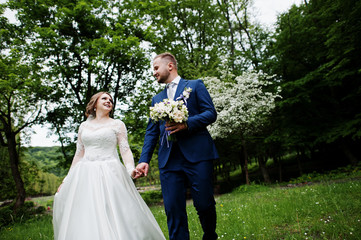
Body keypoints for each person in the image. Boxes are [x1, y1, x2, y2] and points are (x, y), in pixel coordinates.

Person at [53, 92, 166, 240]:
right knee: (87, 212)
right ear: (94, 104)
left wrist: (130, 169)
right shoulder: (83, 126)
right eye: (104, 98)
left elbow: (125, 151)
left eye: (111, 100)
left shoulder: (117, 124)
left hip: (110, 172)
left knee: (114, 211)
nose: (109, 101)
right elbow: (79, 155)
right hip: (85, 174)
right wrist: (66, 180)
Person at [135, 52, 219, 240]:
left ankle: (210, 236)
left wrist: (186, 124)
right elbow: (151, 132)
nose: (154, 72)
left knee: (204, 204)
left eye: (156, 68)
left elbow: (210, 113)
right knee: (173, 209)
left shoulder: (195, 86)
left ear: (170, 66)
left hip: (198, 155)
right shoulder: (156, 99)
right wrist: (144, 160)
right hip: (169, 160)